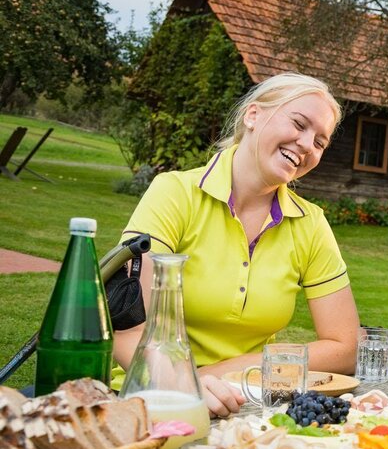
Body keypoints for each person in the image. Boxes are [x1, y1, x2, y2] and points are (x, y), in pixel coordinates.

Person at [114, 73, 360, 417]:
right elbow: (130, 330)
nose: (307, 145)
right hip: (151, 396)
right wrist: (184, 386)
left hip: (248, 405)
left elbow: (345, 347)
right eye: (299, 124)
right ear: (253, 115)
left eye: (320, 142)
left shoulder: (311, 223)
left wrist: (232, 372)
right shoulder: (174, 193)